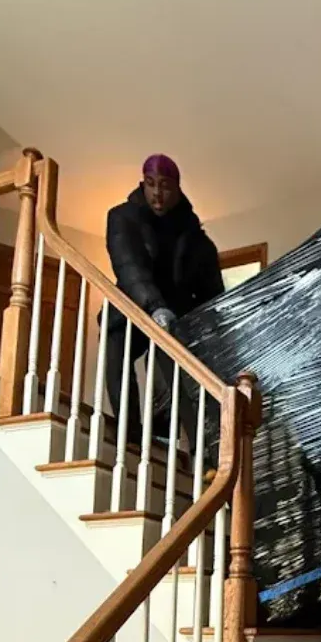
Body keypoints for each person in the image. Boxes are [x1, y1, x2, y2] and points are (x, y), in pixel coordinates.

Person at [104, 154, 224, 443]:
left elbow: (213, 294)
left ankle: (185, 442)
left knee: (174, 378)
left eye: (166, 186)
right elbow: (129, 265)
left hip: (175, 316)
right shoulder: (121, 217)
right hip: (132, 307)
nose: (157, 193)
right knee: (116, 359)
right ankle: (128, 436)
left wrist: (213, 330)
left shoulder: (197, 238)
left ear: (178, 188)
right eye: (150, 184)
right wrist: (155, 306)